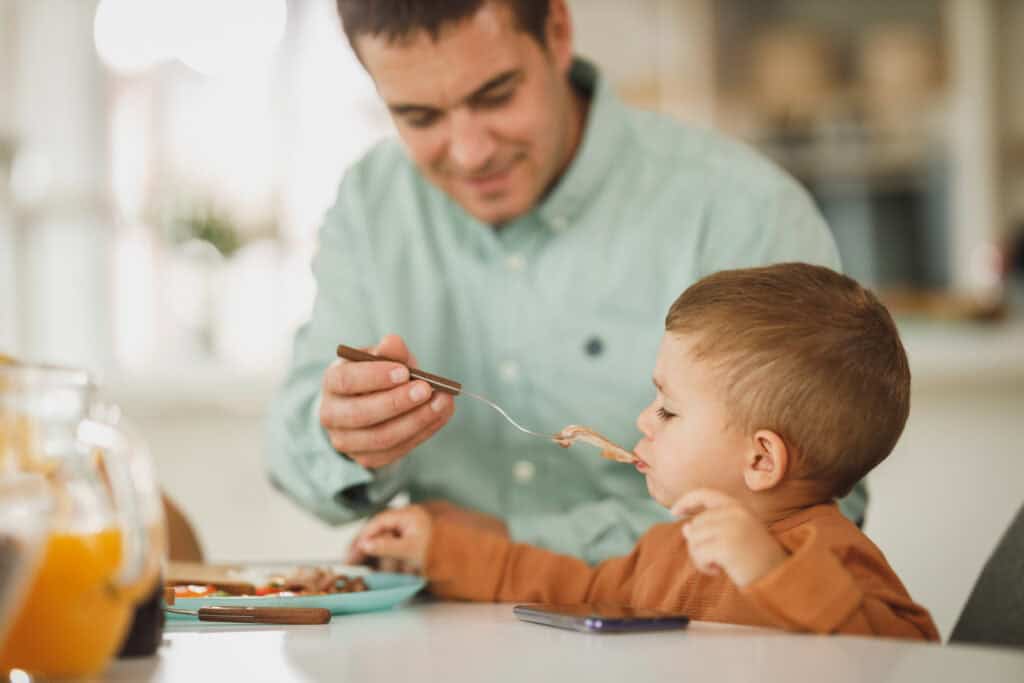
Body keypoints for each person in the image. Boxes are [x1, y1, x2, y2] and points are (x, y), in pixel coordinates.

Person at [266, 0, 866, 566]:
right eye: (418, 116)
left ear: (557, 30)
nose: (470, 153)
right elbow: (294, 467)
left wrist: (503, 552)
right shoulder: (371, 206)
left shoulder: (745, 211)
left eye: (496, 96)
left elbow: (814, 514)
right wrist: (345, 441)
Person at [349, 263, 939, 640]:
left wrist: (771, 573)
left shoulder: (831, 554)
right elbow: (562, 586)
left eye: (668, 409)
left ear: (761, 460)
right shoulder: (664, 553)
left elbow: (907, 658)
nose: (642, 420)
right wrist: (441, 550)